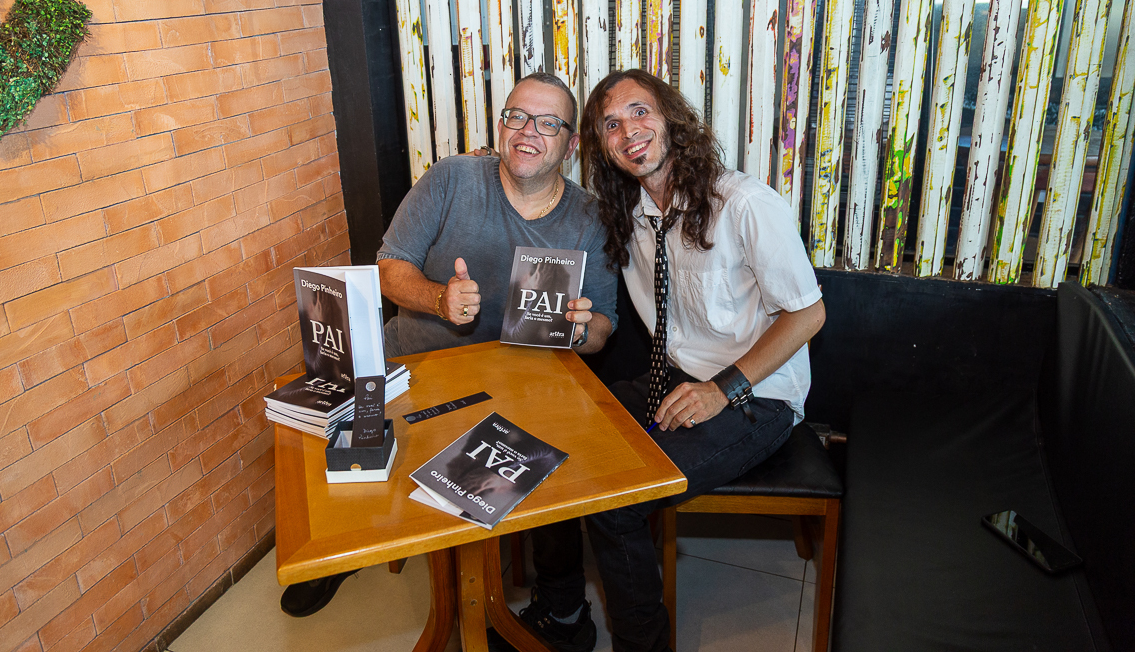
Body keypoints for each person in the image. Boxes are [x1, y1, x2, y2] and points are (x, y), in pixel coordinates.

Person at [279, 71, 620, 619]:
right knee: (357, 444)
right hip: (417, 371)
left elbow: (605, 322)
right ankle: (340, 556)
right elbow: (388, 268)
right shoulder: (452, 178)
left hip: (522, 386)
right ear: (502, 122)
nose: (528, 132)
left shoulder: (589, 217)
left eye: (549, 123)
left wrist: (582, 330)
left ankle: (561, 609)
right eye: (517, 116)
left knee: (556, 465)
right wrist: (439, 299)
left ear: (572, 144)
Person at [518, 69, 826, 652]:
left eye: (640, 112)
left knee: (617, 501)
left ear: (671, 119)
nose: (628, 130)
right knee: (551, 443)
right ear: (602, 147)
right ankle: (561, 615)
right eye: (611, 124)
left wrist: (722, 390)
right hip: (675, 381)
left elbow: (807, 316)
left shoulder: (745, 204)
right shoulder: (629, 216)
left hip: (756, 397)